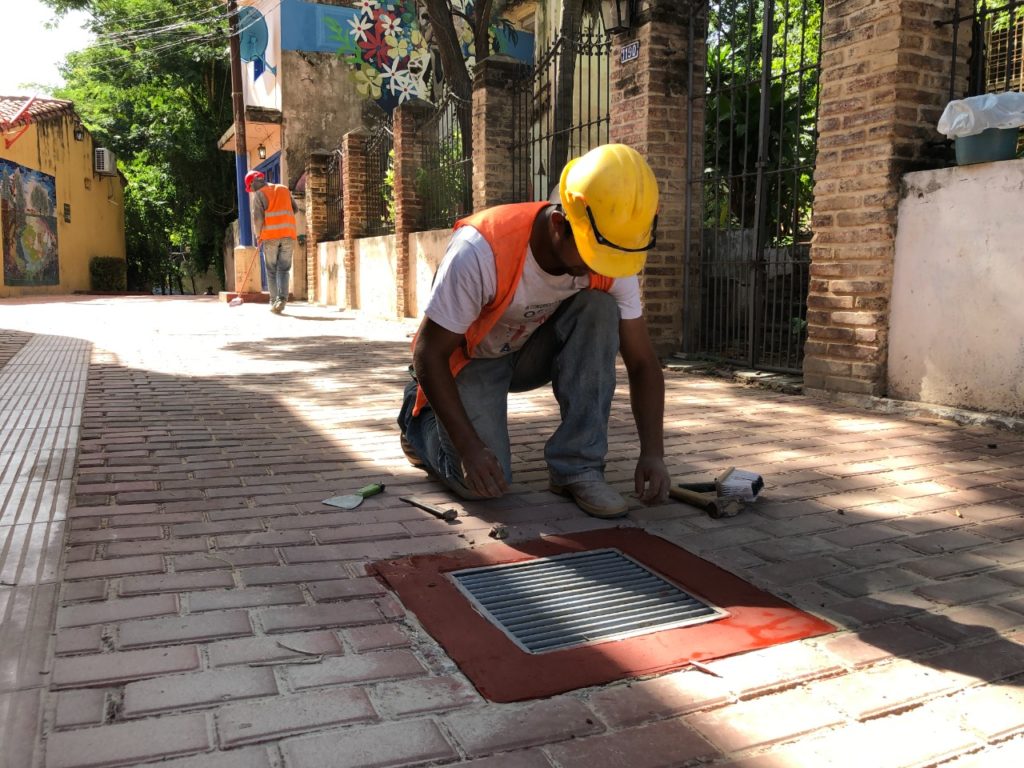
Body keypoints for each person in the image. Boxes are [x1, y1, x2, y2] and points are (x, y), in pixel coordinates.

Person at [397, 144, 669, 518]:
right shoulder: (482, 250)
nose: (601, 269)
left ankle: (578, 468)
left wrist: (653, 452)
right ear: (559, 226)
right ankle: (418, 424)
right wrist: (469, 448)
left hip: (529, 353)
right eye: (592, 256)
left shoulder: (613, 250)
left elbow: (642, 362)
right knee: (482, 485)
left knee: (598, 308)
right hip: (471, 360)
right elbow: (428, 353)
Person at [246, 170, 299, 314]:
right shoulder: (284, 189)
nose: (250, 191)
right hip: (288, 234)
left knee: (271, 270)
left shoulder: (259, 194)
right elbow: (295, 209)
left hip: (270, 237)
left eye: (249, 188)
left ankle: (274, 301)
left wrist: (258, 236)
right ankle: (282, 300)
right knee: (284, 270)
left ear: (252, 183)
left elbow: (258, 219)